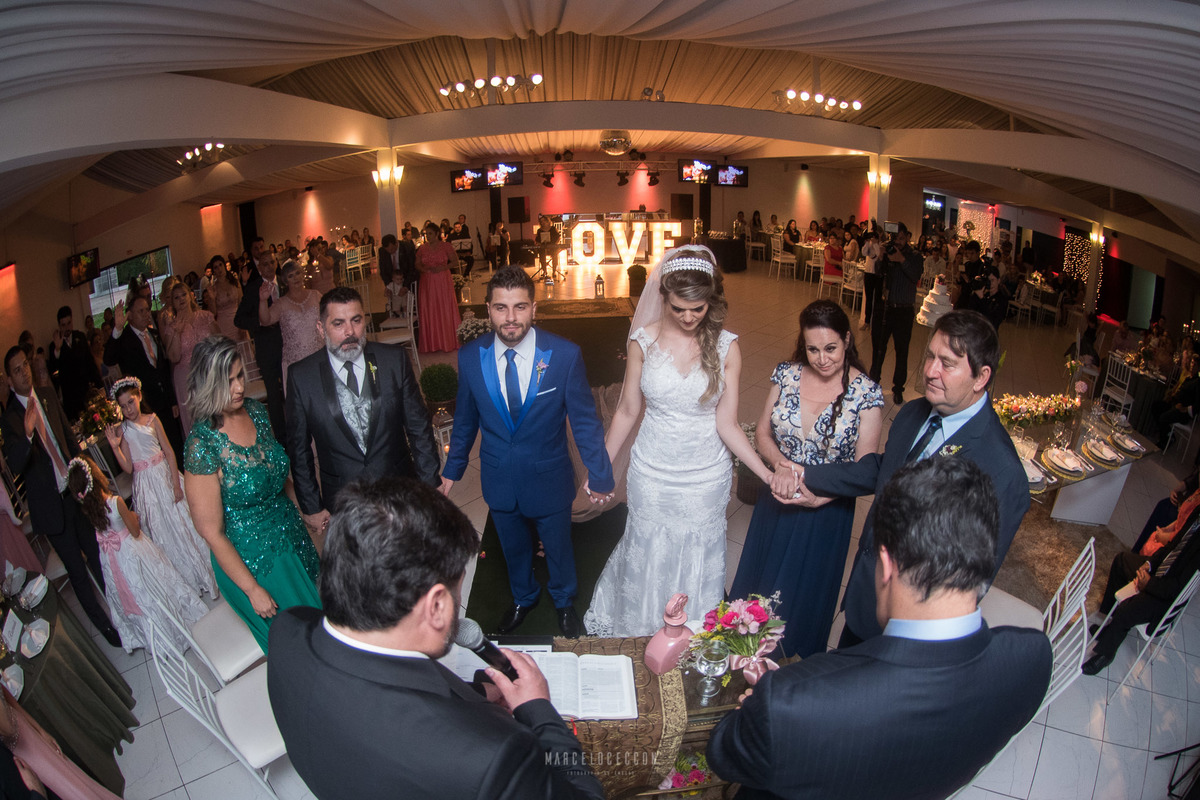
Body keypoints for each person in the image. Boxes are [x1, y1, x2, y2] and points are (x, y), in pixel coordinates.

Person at [707, 456, 1052, 800]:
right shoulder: (1033, 659)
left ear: (886, 565)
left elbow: (724, 754)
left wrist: (754, 710)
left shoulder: (789, 705)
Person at [268, 477, 605, 800]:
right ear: (437, 606)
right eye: (457, 589)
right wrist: (540, 711)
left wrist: (477, 695)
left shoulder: (288, 629)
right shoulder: (493, 758)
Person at [796, 310, 1031, 647]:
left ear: (981, 377)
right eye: (931, 356)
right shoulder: (912, 413)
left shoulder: (1001, 470)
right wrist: (807, 474)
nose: (931, 371)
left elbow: (971, 579)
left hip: (912, 631)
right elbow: (884, 470)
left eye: (947, 364)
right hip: (867, 596)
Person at [584, 246, 772, 637]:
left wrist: (766, 475)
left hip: (706, 476)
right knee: (647, 548)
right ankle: (640, 629)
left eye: (698, 309)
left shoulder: (727, 347)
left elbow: (728, 424)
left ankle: (692, 636)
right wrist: (600, 467)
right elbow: (627, 411)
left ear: (711, 301)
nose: (688, 317)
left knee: (698, 555)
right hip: (652, 472)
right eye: (679, 308)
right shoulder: (642, 342)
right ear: (664, 297)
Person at [441, 267, 614, 637]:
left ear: (534, 308)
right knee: (513, 547)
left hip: (549, 476)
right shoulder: (471, 357)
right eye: (501, 308)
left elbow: (585, 422)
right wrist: (451, 470)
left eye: (519, 307)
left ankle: (564, 600)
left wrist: (600, 474)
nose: (510, 318)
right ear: (488, 310)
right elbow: (466, 420)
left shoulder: (564, 355)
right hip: (499, 477)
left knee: (558, 547)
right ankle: (524, 596)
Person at [729, 301, 884, 658]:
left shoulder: (866, 393)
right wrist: (780, 467)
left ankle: (788, 673)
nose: (822, 359)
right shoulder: (786, 374)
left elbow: (864, 471)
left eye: (831, 348)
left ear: (847, 340)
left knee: (800, 600)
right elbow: (763, 432)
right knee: (758, 586)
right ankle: (741, 666)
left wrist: (820, 498)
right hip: (777, 498)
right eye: (813, 349)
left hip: (826, 511)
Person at [183, 335, 320, 652]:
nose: (239, 387)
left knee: (321, 621)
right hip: (253, 561)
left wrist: (304, 512)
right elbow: (212, 533)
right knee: (301, 644)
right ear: (208, 386)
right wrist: (252, 589)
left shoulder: (256, 411)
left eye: (240, 376)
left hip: (290, 535)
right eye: (228, 382)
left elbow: (275, 475)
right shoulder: (202, 445)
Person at [286, 286, 441, 538]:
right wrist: (311, 505)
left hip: (400, 490)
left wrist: (430, 483)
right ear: (321, 328)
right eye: (338, 323)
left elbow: (418, 427)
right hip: (344, 501)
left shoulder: (393, 360)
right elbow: (299, 449)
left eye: (356, 320)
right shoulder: (302, 376)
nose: (350, 332)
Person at [0, 347, 121, 647]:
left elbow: (68, 439)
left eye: (25, 365)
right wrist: (28, 434)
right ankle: (107, 629)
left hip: (75, 493)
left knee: (98, 558)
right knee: (78, 573)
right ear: (9, 380)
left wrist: (88, 476)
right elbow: (15, 464)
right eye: (17, 370)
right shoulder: (10, 419)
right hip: (51, 510)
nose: (24, 372)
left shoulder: (46, 395)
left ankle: (122, 616)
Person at [67, 455, 207, 654]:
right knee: (154, 587)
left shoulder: (90, 510)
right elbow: (134, 531)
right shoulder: (115, 502)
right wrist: (133, 517)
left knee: (137, 596)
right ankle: (175, 627)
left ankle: (155, 639)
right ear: (96, 476)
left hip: (113, 560)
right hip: (133, 552)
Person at [104, 377, 216, 598]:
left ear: (139, 396)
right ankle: (182, 582)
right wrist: (115, 448)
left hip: (164, 475)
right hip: (145, 485)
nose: (128, 409)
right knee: (161, 529)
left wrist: (175, 483)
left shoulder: (152, 420)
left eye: (131, 402)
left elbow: (169, 451)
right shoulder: (124, 430)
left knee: (182, 522)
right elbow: (128, 467)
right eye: (123, 406)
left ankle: (204, 570)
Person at [1083, 487, 1200, 674]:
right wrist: (1149, 564)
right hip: (1161, 572)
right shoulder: (1197, 516)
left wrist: (1149, 584)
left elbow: (1177, 588)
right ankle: (1109, 625)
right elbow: (1171, 547)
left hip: (1165, 598)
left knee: (1127, 609)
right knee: (1122, 561)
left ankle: (1106, 654)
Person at [0, 684, 122, 800]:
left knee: (74, 777)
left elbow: (10, 701)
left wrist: (40, 731)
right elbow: (8, 729)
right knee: (66, 788)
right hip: (21, 752)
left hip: (27, 730)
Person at [104, 295, 185, 461]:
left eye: (147, 309)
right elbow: (109, 359)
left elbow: (164, 370)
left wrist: (172, 400)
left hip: (165, 403)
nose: (146, 314)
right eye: (141, 311)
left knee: (175, 447)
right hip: (145, 406)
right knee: (156, 453)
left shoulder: (153, 334)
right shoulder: (124, 339)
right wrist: (117, 329)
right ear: (130, 315)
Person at [234, 237, 287, 438]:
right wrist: (260, 322)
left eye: (272, 262)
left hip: (288, 343)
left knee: (291, 389)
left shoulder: (284, 282)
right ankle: (281, 438)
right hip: (266, 346)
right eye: (265, 264)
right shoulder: (253, 288)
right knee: (273, 395)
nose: (269, 266)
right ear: (259, 267)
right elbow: (239, 319)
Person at [868, 222, 923, 405]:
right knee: (878, 348)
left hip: (904, 310)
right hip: (884, 307)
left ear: (907, 237)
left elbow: (915, 276)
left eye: (901, 238)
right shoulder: (887, 251)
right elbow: (877, 274)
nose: (897, 242)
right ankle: (873, 384)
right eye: (895, 238)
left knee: (902, 351)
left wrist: (901, 260)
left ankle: (898, 389)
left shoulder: (915, 256)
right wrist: (880, 258)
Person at [160, 280, 218, 434]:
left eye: (183, 295)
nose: (181, 299)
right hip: (187, 377)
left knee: (216, 415)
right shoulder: (172, 327)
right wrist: (177, 332)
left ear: (190, 296)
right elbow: (174, 357)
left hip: (209, 371)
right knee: (196, 421)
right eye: (176, 297)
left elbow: (220, 341)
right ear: (172, 302)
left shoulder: (205, 316)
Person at [259, 259, 322, 388]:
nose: (295, 278)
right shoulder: (281, 303)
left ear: (303, 274)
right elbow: (265, 321)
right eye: (290, 276)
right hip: (296, 363)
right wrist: (263, 301)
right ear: (285, 281)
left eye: (297, 273)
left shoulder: (316, 296)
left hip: (319, 357)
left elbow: (329, 318)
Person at [46, 305, 103, 419]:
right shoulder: (54, 346)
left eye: (69, 323)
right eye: (63, 325)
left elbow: (90, 363)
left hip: (86, 391)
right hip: (70, 396)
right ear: (59, 326)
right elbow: (54, 372)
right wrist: (57, 349)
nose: (67, 328)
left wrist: (99, 385)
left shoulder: (80, 337)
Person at [415, 222, 462, 353]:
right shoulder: (422, 248)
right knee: (430, 309)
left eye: (430, 233)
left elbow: (455, 261)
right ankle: (432, 343)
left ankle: (448, 341)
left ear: (437, 234)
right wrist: (424, 269)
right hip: (427, 282)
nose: (428, 236)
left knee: (444, 307)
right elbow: (417, 264)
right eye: (426, 234)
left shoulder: (446, 246)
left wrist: (443, 267)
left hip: (442, 281)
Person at [204, 256, 245, 341]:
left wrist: (243, 323)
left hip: (238, 321)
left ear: (224, 266)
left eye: (220, 265)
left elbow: (242, 303)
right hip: (223, 325)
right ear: (213, 271)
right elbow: (213, 313)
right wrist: (212, 298)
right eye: (216, 267)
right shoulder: (213, 288)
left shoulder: (234, 282)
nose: (219, 269)